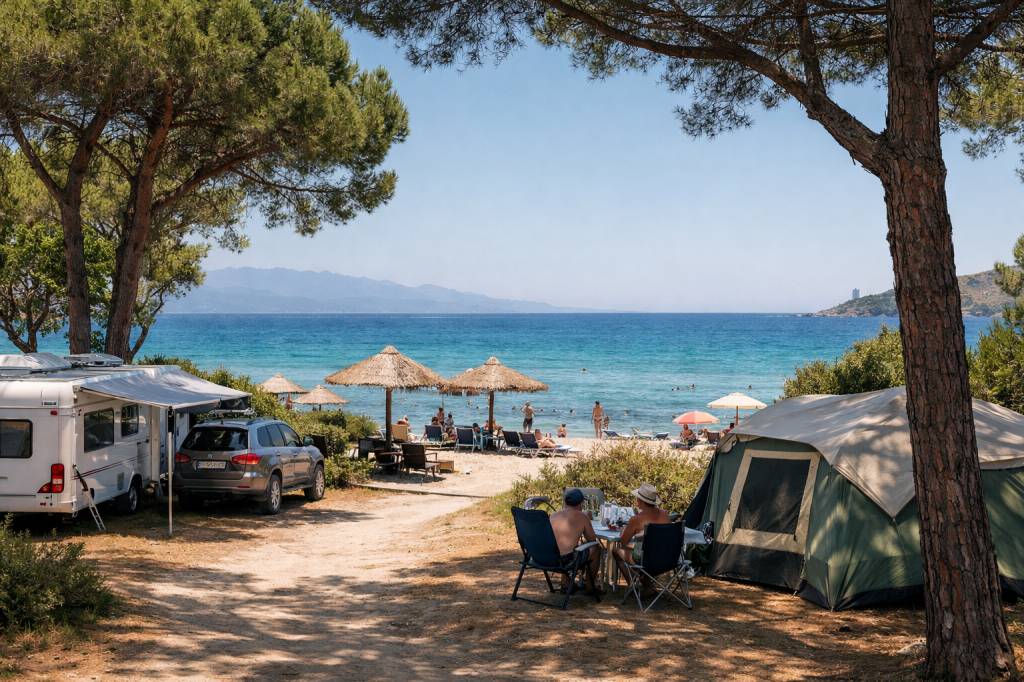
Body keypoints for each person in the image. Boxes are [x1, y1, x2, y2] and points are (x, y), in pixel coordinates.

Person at [613, 483, 672, 580]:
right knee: (642, 550)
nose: (636, 500)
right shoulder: (665, 514)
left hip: (647, 561)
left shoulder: (637, 519)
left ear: (641, 501)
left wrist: (625, 530)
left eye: (637, 498)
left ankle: (635, 584)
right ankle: (646, 585)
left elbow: (623, 542)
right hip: (667, 558)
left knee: (616, 551)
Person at [549, 488, 601, 593]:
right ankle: (590, 587)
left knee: (568, 547)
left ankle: (566, 583)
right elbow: (592, 540)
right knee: (596, 549)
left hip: (547, 557)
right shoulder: (582, 516)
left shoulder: (554, 515)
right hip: (565, 561)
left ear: (566, 502)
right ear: (581, 503)